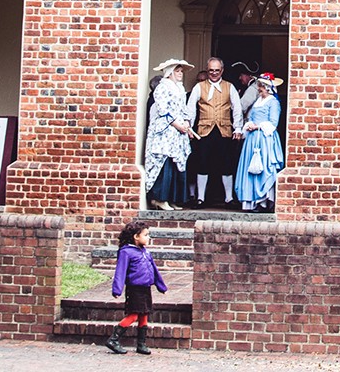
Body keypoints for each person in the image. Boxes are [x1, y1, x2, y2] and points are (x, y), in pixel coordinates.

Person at [183, 55, 244, 208]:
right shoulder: (199, 87)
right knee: (202, 163)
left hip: (224, 130)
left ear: (222, 70)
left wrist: (238, 127)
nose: (214, 73)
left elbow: (237, 108)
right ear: (207, 70)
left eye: (217, 70)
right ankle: (200, 198)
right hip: (204, 131)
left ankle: (229, 199)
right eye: (211, 71)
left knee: (226, 164)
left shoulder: (229, 87)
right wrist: (188, 126)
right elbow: (190, 108)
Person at [105, 219, 166, 355]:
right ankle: (113, 340)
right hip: (135, 289)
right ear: (136, 237)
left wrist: (161, 286)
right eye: (146, 235)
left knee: (144, 314)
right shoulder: (126, 252)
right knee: (133, 315)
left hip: (146, 289)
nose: (148, 238)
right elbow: (120, 271)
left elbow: (154, 270)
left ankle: (141, 344)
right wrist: (117, 289)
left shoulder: (146, 252)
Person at [143, 58, 193, 211]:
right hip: (165, 131)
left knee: (177, 164)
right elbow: (164, 110)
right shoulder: (162, 88)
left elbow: (184, 109)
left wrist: (186, 122)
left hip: (178, 134)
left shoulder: (180, 88)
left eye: (181, 71)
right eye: (177, 71)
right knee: (164, 164)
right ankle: (159, 198)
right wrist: (177, 124)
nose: (180, 74)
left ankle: (172, 198)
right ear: (170, 72)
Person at [235, 72, 285, 212]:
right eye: (259, 86)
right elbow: (251, 116)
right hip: (252, 139)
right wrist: (249, 125)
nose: (259, 89)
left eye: (261, 86)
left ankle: (263, 200)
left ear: (268, 87)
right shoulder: (258, 101)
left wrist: (257, 126)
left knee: (263, 167)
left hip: (264, 139)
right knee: (250, 168)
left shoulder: (273, 102)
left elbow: (273, 123)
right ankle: (251, 201)